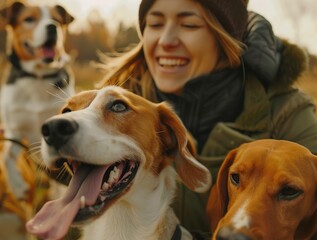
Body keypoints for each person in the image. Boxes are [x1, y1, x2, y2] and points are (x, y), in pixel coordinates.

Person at [98, 0, 317, 236]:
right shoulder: (108, 110)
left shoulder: (286, 111)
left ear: (225, 38)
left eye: (189, 25)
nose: (166, 40)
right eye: (155, 24)